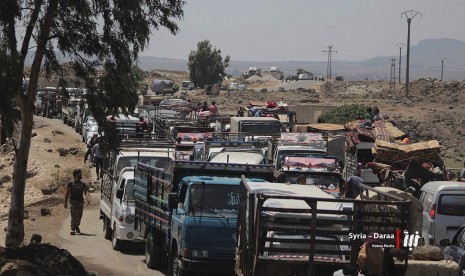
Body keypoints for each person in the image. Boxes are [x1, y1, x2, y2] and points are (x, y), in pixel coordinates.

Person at [64, 169, 90, 235]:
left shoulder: (82, 183)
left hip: (80, 202)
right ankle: (72, 228)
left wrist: (88, 198)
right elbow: (67, 193)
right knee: (73, 215)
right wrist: (65, 203)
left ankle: (76, 225)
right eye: (80, 173)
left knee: (79, 216)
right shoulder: (70, 183)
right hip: (73, 202)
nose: (81, 175)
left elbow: (86, 191)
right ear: (76, 174)